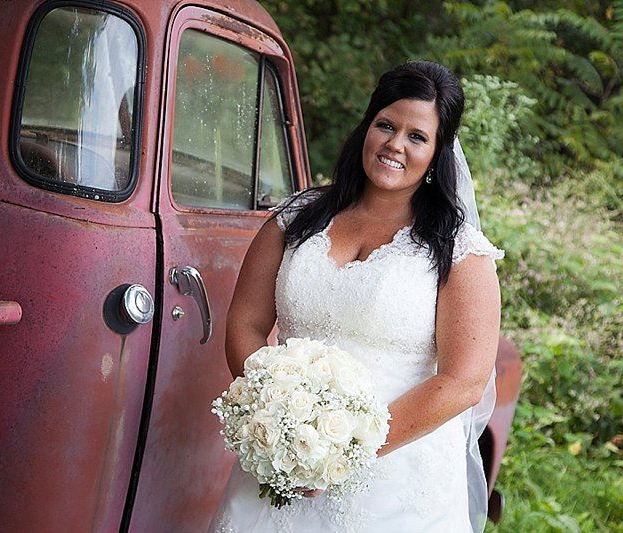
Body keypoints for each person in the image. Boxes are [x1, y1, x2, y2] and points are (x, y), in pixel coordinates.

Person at [208, 60, 503, 532]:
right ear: (367, 127)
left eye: (417, 136)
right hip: (282, 460)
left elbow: (464, 380)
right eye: (386, 125)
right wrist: (277, 420)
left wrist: (342, 453)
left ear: (437, 154)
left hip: (396, 484)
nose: (395, 145)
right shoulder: (296, 219)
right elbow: (245, 323)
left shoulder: (459, 253)